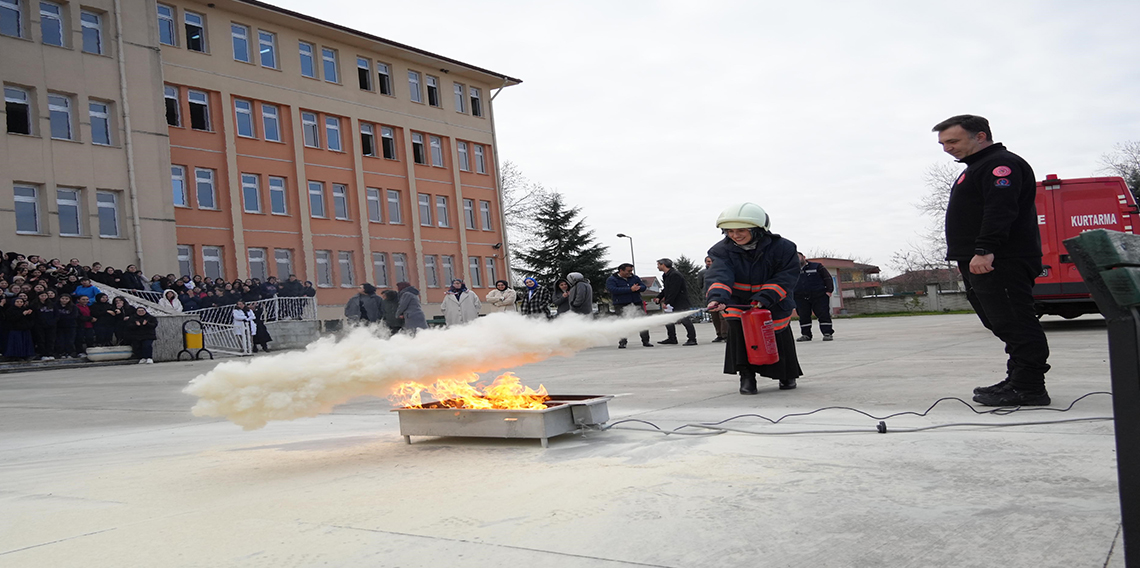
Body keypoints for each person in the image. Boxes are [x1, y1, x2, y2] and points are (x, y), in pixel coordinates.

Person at [933, 114, 1051, 406]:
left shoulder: (1001, 165)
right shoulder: (978, 167)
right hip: (984, 258)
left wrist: (985, 249)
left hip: (1001, 259)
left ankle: (1030, 387)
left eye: (953, 141)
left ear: (981, 136)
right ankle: (1018, 378)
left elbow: (1001, 209)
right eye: (943, 143)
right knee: (1002, 322)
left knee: (1016, 321)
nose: (947, 148)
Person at [705, 202, 802, 394]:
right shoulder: (720, 251)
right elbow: (719, 275)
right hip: (736, 300)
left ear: (758, 229)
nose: (735, 235)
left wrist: (765, 297)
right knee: (739, 333)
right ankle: (747, 377)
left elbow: (786, 276)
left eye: (741, 230)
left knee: (776, 333)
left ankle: (786, 374)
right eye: (729, 231)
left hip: (773, 299)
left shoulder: (784, 248)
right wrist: (717, 297)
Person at [606, 263, 653, 349]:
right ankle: (622, 342)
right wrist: (630, 289)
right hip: (621, 304)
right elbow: (613, 290)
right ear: (621, 270)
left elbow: (643, 286)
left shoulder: (635, 278)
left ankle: (646, 341)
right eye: (629, 271)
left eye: (631, 270)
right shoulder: (612, 279)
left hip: (636, 302)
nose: (630, 272)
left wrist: (639, 288)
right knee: (623, 323)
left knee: (643, 321)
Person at [654, 258, 697, 345]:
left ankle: (692, 339)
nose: (657, 266)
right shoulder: (666, 275)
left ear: (663, 265)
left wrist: (667, 302)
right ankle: (672, 338)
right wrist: (659, 297)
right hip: (671, 302)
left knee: (685, 320)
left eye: (658, 264)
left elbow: (674, 290)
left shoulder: (675, 275)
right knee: (668, 320)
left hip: (680, 302)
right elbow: (667, 289)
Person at [794, 253, 834, 342]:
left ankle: (827, 333)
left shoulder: (817, 266)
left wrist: (829, 291)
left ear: (804, 257)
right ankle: (806, 335)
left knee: (823, 314)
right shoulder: (792, 270)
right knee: (803, 316)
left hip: (819, 296)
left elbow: (827, 278)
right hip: (800, 297)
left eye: (798, 257)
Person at [700, 256, 728, 343]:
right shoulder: (702, 273)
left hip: (720, 295)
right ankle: (719, 335)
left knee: (722, 317)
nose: (709, 263)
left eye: (711, 261)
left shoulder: (721, 271)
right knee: (715, 318)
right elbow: (700, 285)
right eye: (707, 261)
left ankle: (725, 335)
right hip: (709, 297)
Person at [54, 294, 79, 358]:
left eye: (66, 299)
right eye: (63, 298)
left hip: (71, 326)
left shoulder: (74, 307)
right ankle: (61, 353)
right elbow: (55, 315)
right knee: (60, 340)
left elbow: (74, 316)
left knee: (70, 340)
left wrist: (62, 317)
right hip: (59, 326)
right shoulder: (55, 306)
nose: (64, 300)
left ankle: (70, 353)